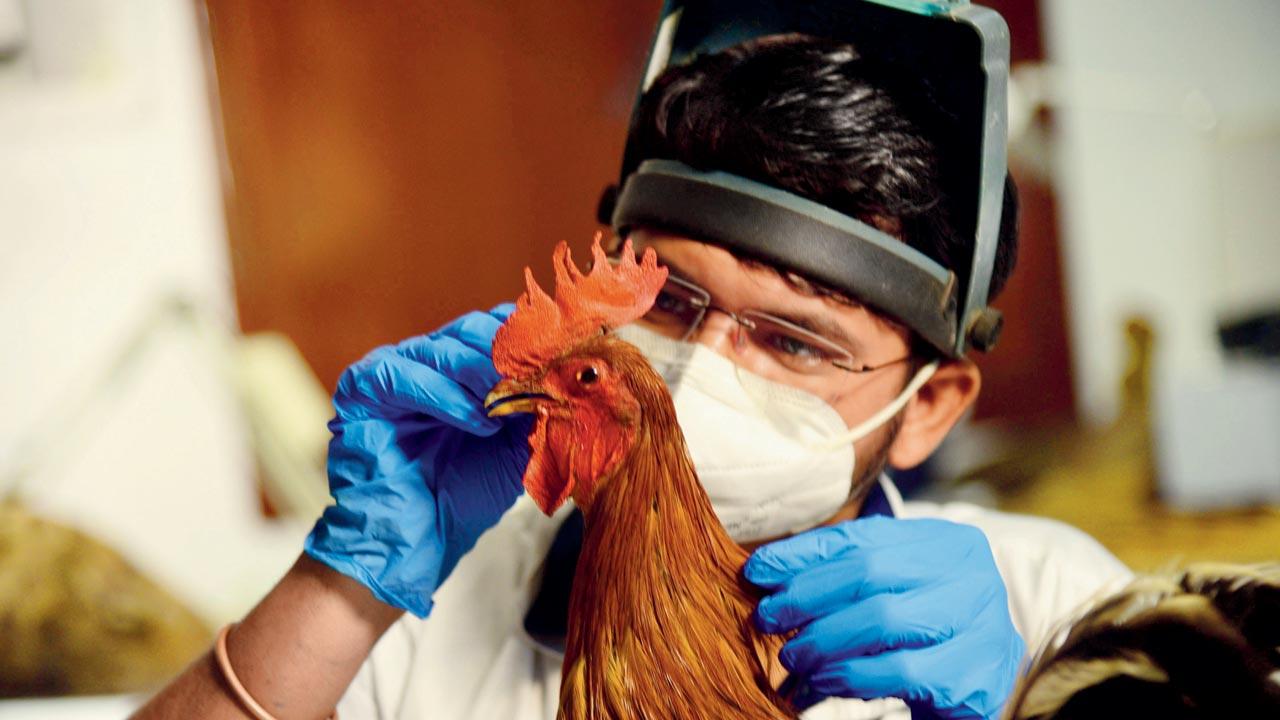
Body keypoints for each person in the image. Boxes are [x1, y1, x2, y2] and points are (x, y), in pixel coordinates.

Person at [135, 33, 1129, 720]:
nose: (695, 376)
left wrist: (1029, 712)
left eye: (790, 343)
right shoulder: (431, 613)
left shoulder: (1053, 605)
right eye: (665, 298)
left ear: (931, 409)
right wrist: (344, 583)